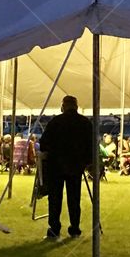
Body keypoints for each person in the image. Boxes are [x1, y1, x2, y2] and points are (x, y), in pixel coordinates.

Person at [39, 95, 92, 240]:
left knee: (55, 198)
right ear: (76, 106)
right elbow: (91, 145)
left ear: (63, 106)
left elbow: (43, 143)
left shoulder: (56, 121)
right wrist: (86, 162)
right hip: (76, 166)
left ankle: (54, 229)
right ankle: (74, 229)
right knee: (74, 199)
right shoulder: (85, 122)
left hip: (56, 166)